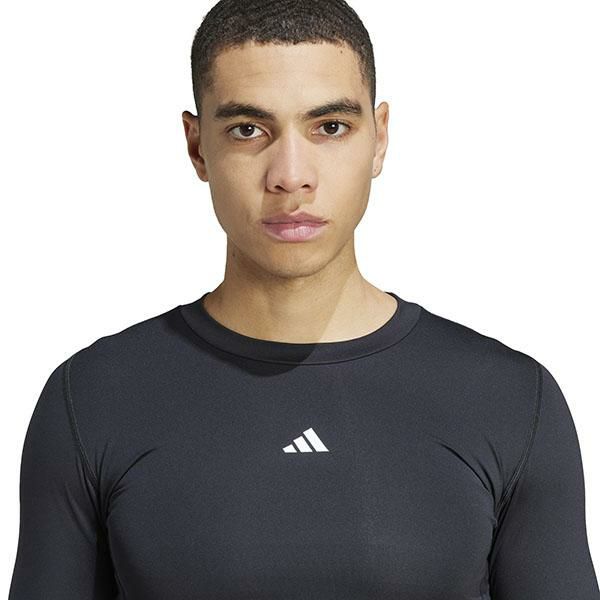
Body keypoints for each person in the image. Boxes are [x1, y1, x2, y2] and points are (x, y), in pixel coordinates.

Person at [8, 0, 600, 598]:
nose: (291, 175)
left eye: (330, 127)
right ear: (196, 146)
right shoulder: (94, 398)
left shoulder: (509, 399)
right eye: (248, 129)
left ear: (379, 138)